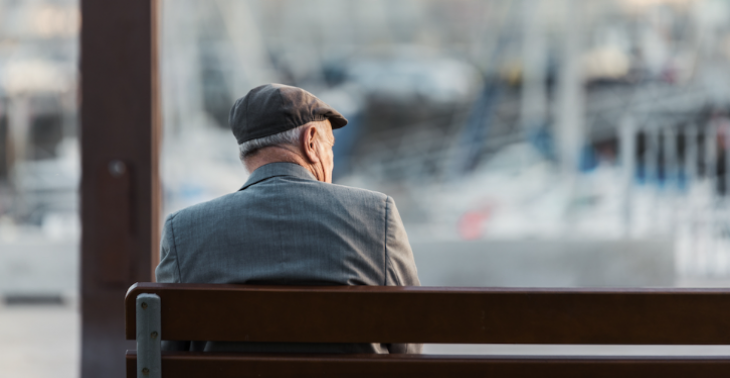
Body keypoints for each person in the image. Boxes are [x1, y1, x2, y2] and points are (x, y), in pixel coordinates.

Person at [156, 83, 421, 354]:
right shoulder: (376, 214)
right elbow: (408, 342)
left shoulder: (184, 229)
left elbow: (166, 355)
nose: (330, 158)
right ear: (310, 141)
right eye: (329, 146)